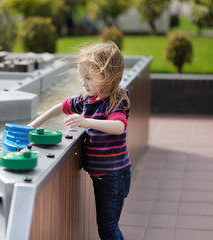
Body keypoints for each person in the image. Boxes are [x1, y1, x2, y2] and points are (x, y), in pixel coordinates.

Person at [28, 41, 131, 240]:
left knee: (108, 228)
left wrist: (86, 121)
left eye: (89, 78)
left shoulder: (114, 102)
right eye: (82, 77)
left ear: (108, 76)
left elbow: (119, 127)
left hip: (114, 177)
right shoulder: (87, 100)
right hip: (103, 176)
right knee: (107, 227)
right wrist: (32, 125)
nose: (84, 83)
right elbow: (60, 107)